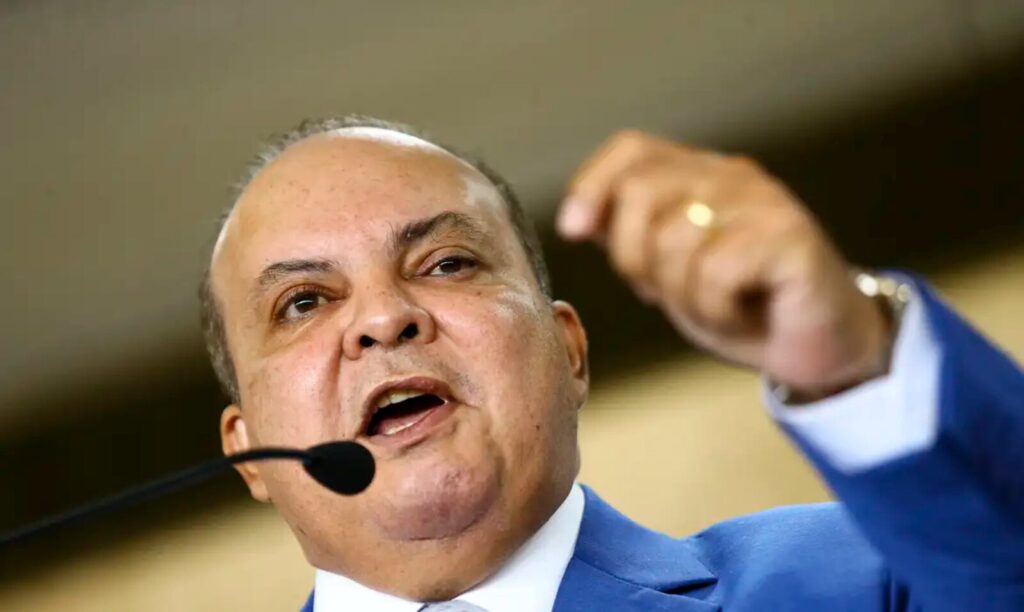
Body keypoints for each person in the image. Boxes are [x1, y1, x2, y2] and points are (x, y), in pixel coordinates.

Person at [199, 116, 1024, 611]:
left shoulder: (873, 580)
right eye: (302, 302)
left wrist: (853, 357)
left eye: (446, 263)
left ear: (569, 350)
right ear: (248, 455)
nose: (384, 318)